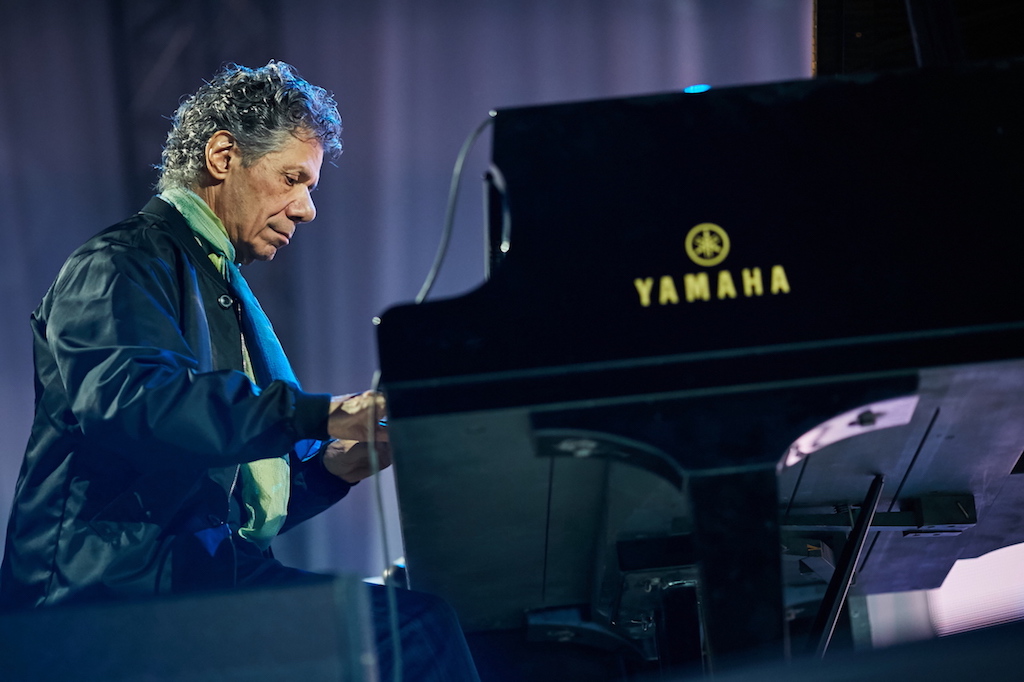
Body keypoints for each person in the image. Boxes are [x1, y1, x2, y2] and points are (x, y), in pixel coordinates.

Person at [0, 61, 479, 682]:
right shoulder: (119, 263)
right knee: (413, 632)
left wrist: (335, 466)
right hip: (102, 602)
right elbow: (134, 406)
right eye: (292, 179)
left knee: (411, 624)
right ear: (223, 156)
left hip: (190, 584)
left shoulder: (217, 282)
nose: (307, 209)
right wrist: (324, 413)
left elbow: (218, 494)